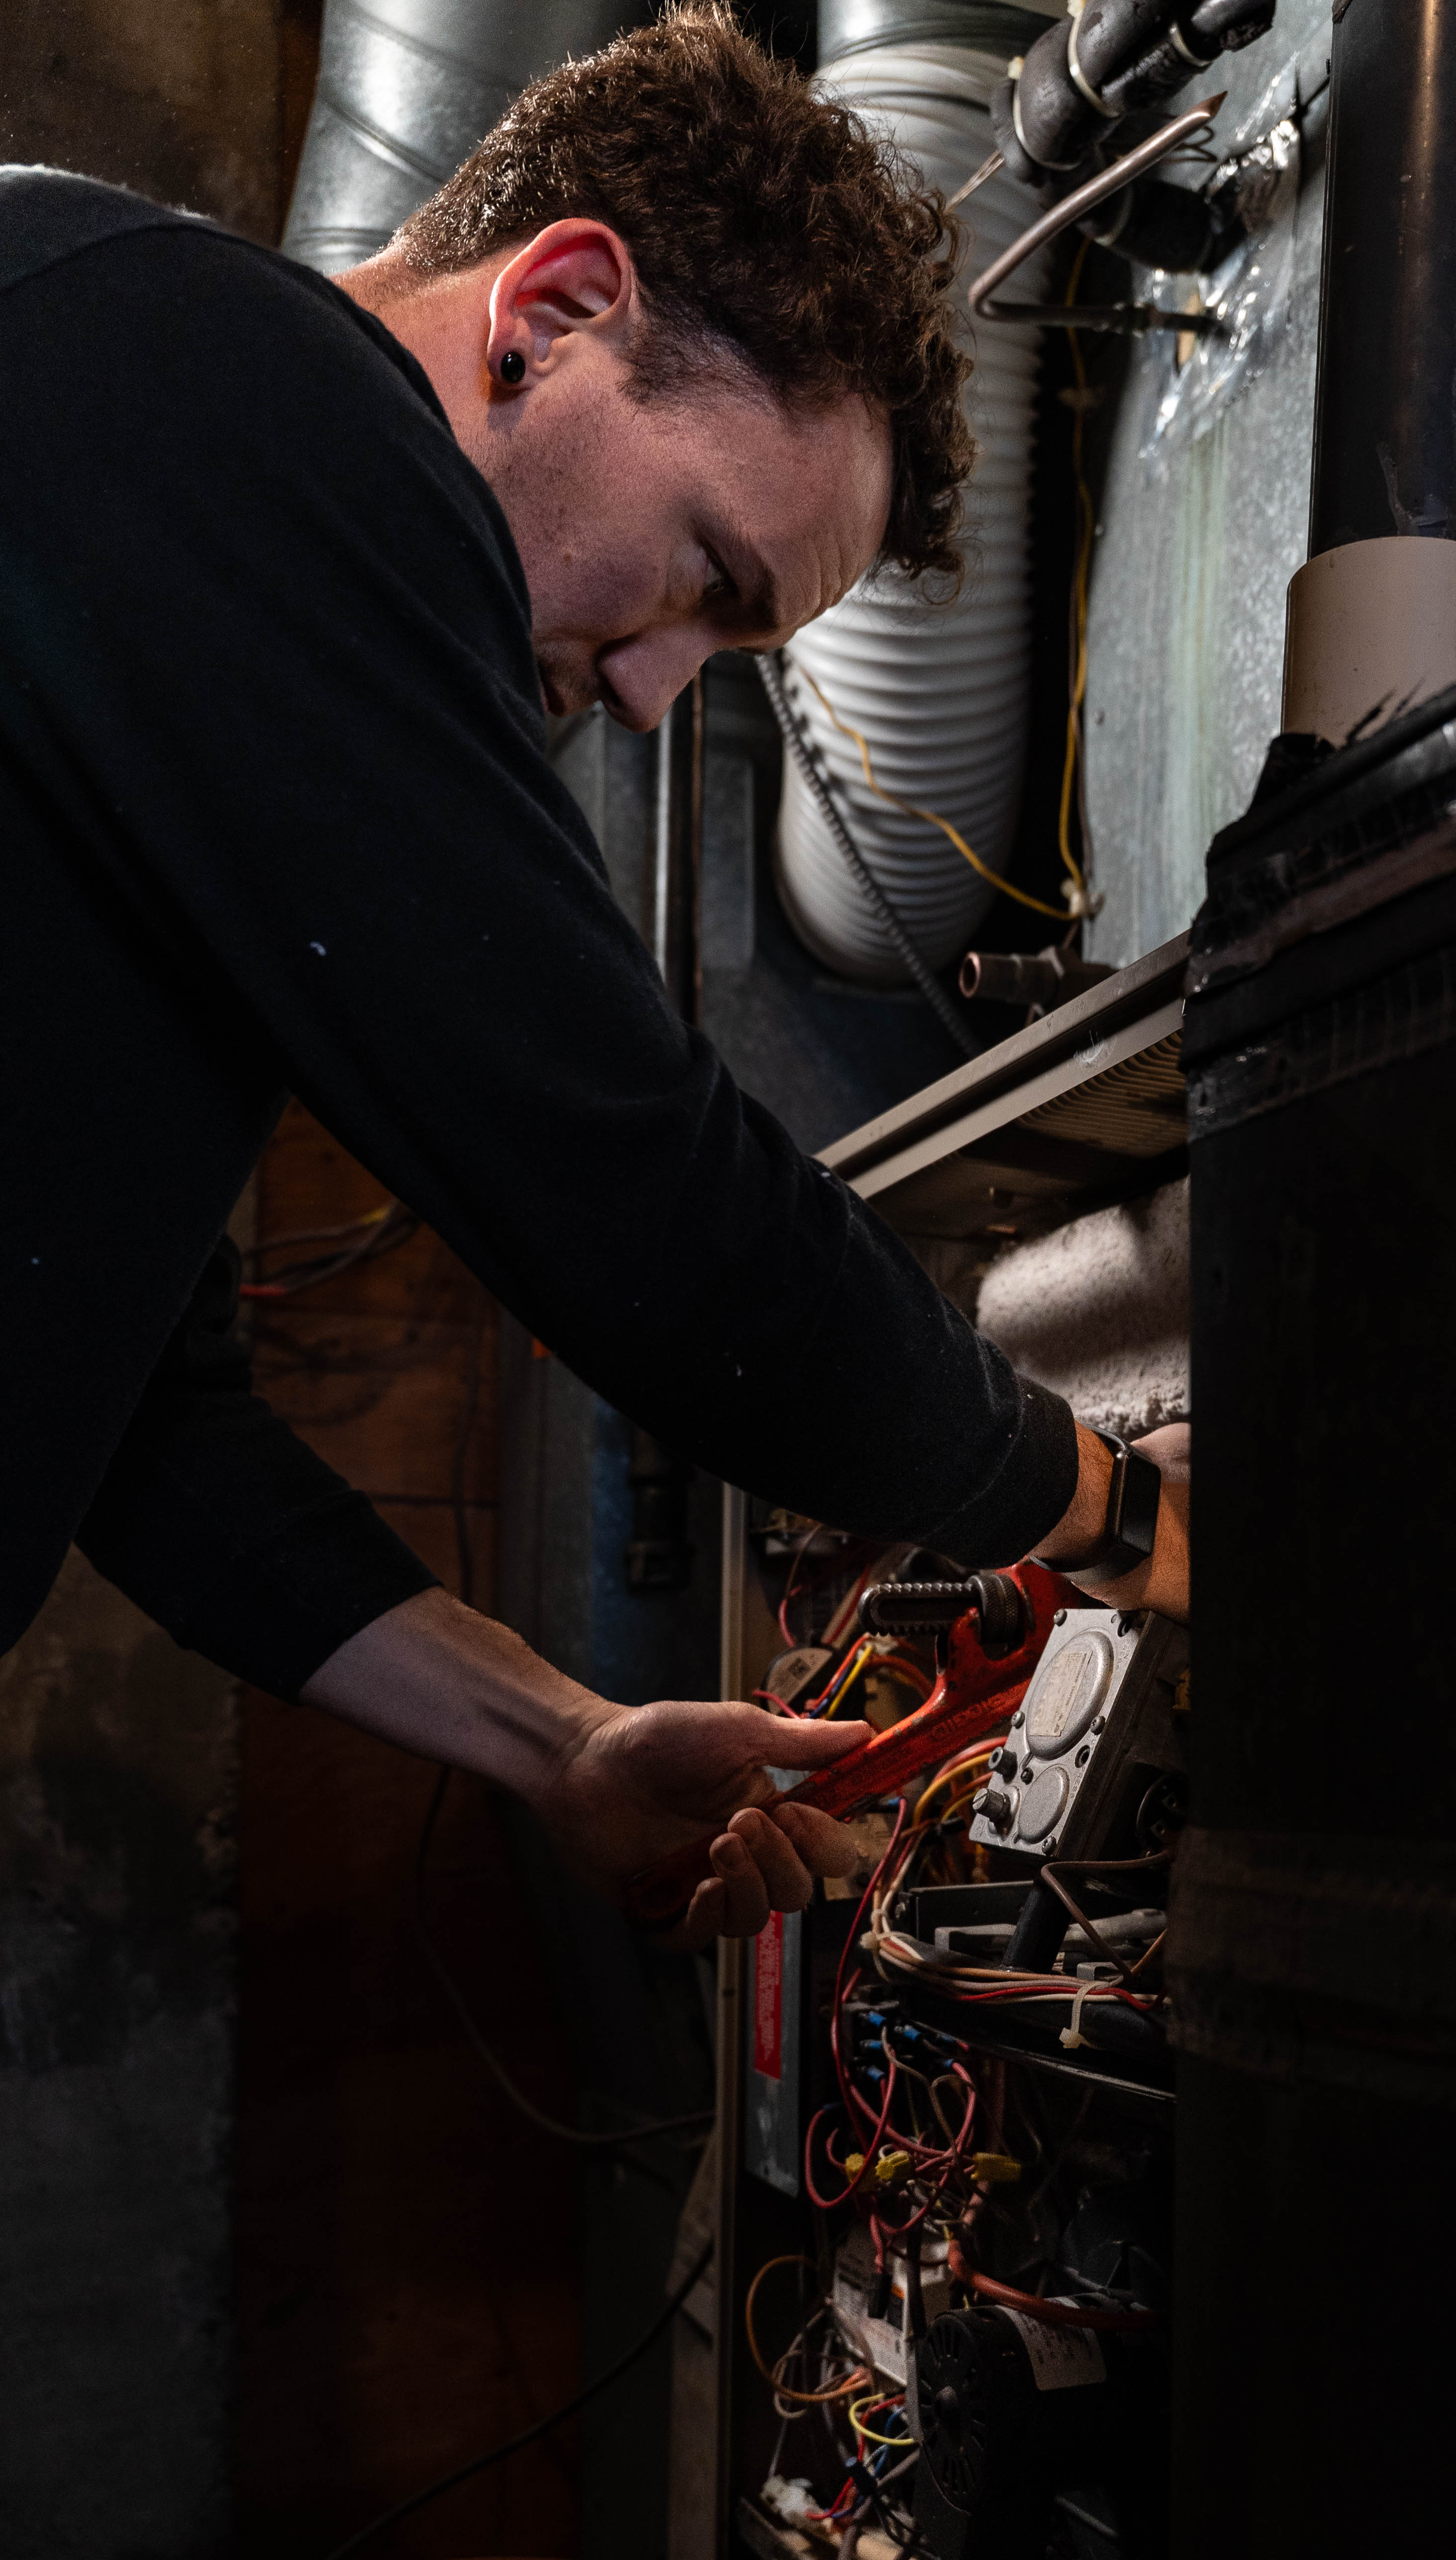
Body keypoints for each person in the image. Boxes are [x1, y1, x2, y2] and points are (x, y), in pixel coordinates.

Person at [0, 4, 1188, 1958]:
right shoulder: (244, 396)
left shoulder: (159, 544)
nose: (653, 691)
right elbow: (641, 1202)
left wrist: (560, 1738)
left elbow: (154, 1430)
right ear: (552, 310)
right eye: (707, 572)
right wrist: (1120, 1516)